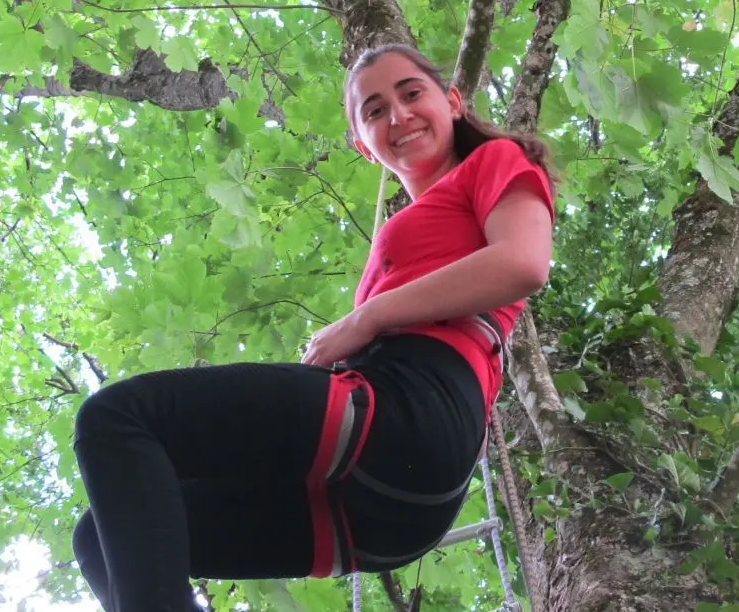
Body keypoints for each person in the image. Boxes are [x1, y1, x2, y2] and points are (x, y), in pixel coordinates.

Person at [71, 44, 555, 610]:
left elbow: (522, 263)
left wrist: (366, 317)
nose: (397, 115)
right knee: (99, 538)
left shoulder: (494, 160)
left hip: (412, 409)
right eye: (373, 111)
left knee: (117, 419)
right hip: (386, 511)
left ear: (452, 101)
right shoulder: (406, 225)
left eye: (411, 93)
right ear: (363, 146)